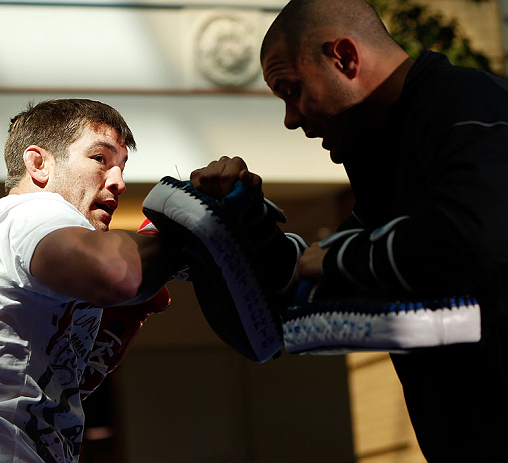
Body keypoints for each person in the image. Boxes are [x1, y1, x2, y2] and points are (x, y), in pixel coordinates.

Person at [191, 0, 508, 460]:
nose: (291, 118)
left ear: (345, 58)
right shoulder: (386, 158)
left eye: (292, 90)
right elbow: (289, 309)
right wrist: (242, 221)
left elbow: (476, 239)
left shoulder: (469, 105)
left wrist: (340, 258)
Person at [0, 99, 182, 462]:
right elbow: (118, 272)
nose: (119, 182)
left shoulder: (1, 232)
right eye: (100, 159)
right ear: (38, 164)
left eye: (121, 167)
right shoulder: (35, 210)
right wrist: (188, 232)